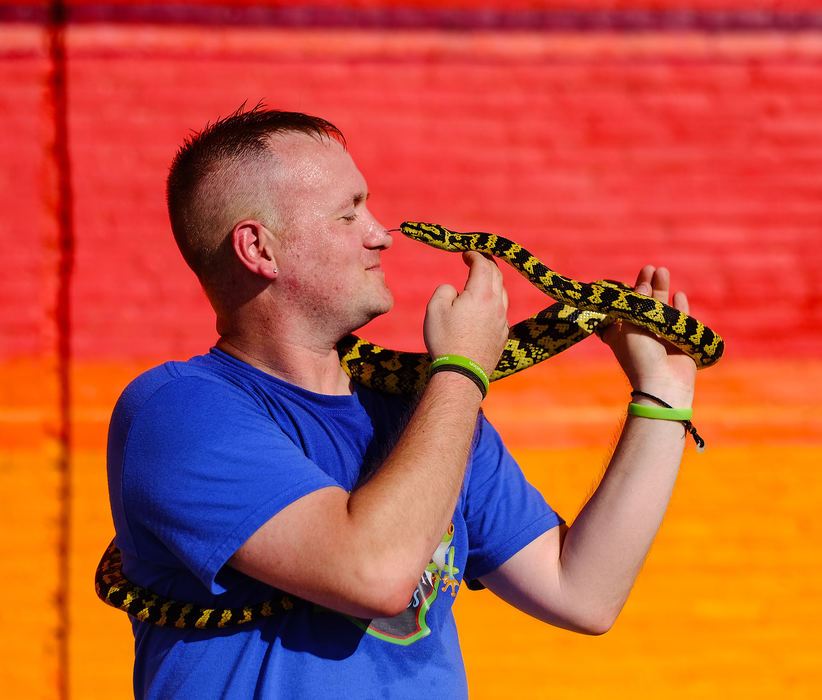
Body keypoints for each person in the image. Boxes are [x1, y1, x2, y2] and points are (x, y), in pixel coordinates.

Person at [106, 106, 698, 699]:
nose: (380, 233)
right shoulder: (177, 413)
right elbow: (374, 573)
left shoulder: (427, 409)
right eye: (348, 213)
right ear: (258, 248)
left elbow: (583, 593)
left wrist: (663, 395)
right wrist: (464, 368)